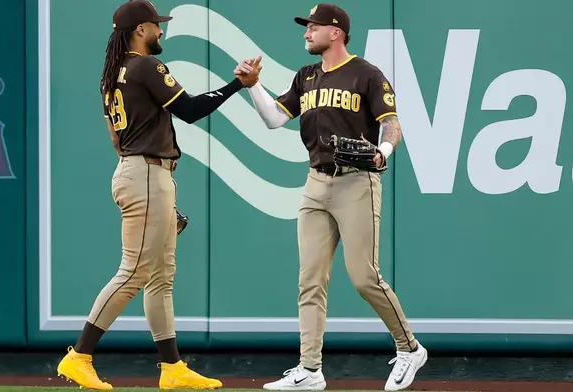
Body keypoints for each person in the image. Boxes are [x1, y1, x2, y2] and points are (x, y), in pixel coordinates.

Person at [55, 1, 262, 390]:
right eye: (155, 25)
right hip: (147, 174)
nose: (160, 31)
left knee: (160, 278)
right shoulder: (145, 66)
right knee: (134, 272)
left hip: (140, 170)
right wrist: (238, 84)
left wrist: (149, 165)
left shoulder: (111, 74)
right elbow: (190, 110)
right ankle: (79, 355)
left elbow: (116, 140)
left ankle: (172, 368)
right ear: (139, 30)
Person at [235, 3, 426, 391]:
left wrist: (383, 152)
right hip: (315, 183)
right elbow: (274, 119)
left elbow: (391, 123)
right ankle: (309, 369)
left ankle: (409, 349)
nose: (306, 32)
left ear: (335, 32)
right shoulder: (306, 76)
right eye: (307, 27)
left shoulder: (366, 74)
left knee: (364, 277)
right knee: (310, 280)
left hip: (357, 182)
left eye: (313, 27)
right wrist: (253, 85)